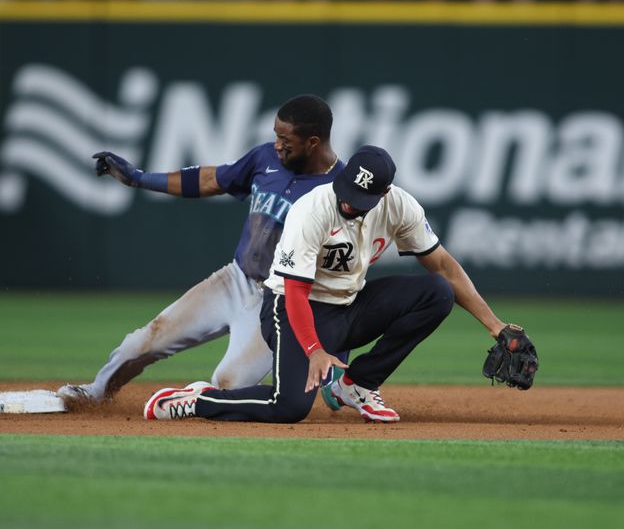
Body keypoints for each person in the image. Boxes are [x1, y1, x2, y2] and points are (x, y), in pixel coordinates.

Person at [144, 144, 520, 424]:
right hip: (290, 310)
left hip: (348, 307)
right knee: (288, 407)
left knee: (436, 292)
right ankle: (199, 401)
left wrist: (495, 326)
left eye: (361, 200)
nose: (350, 204)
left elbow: (443, 265)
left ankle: (356, 384)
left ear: (384, 194)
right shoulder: (312, 209)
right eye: (349, 193)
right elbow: (293, 292)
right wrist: (313, 350)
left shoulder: (401, 207)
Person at [58, 94, 347, 402]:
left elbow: (346, 272)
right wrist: (140, 180)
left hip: (280, 300)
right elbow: (211, 179)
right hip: (236, 279)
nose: (277, 145)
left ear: (313, 142)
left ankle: (198, 401)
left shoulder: (339, 190)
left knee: (229, 384)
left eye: (285, 140)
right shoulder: (266, 158)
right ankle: (96, 393)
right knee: (141, 343)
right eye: (276, 136)